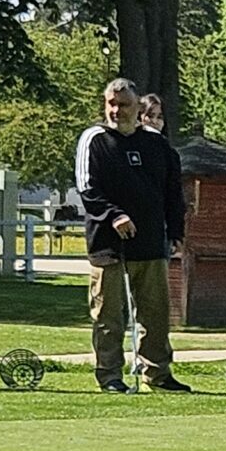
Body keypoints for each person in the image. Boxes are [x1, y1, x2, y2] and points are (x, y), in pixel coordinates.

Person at [80, 79, 190, 393]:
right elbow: (88, 189)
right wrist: (115, 215)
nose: (116, 110)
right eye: (111, 104)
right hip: (108, 247)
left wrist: (176, 229)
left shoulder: (156, 143)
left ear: (137, 107)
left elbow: (172, 192)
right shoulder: (94, 140)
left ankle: (157, 375)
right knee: (109, 317)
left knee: (156, 316)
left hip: (151, 243)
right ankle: (110, 376)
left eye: (124, 104)